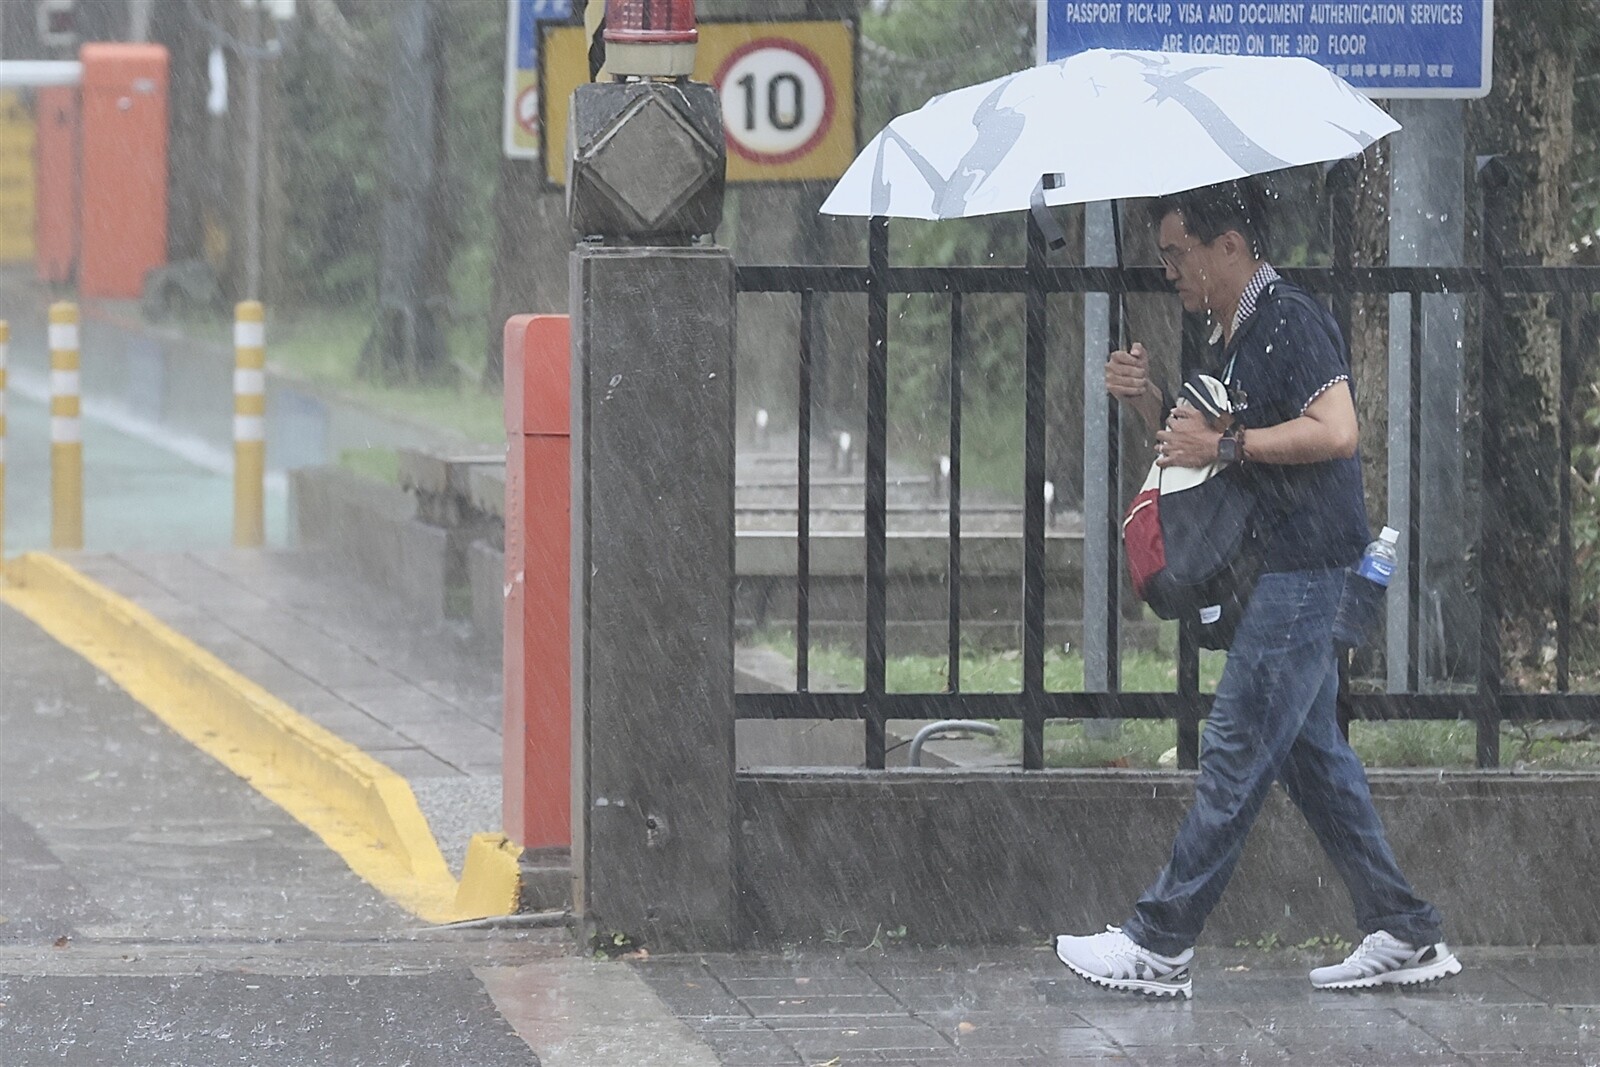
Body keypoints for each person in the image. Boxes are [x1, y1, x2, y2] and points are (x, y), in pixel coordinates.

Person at [1054, 179, 1460, 1000]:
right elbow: (1208, 452)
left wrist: (1227, 439)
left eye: (1178, 253)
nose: (1170, 269)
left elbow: (1336, 431)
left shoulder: (1288, 319)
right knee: (1315, 760)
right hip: (1290, 568)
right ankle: (1407, 929)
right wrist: (1150, 405)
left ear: (1228, 247)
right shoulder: (1233, 335)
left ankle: (1159, 943)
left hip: (1309, 570)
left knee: (1235, 750)